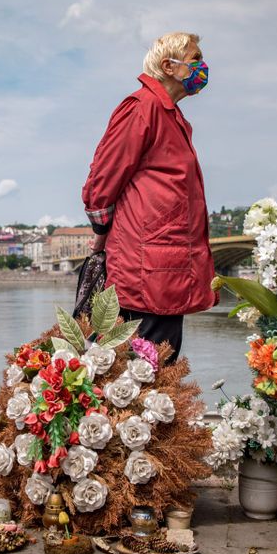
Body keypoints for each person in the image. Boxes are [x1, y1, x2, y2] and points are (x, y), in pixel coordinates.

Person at [81, 31, 216, 362]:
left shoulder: (168, 113)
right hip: (147, 264)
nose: (203, 67)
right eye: (196, 60)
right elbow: (104, 175)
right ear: (169, 66)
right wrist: (101, 231)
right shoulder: (143, 107)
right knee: (146, 362)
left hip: (164, 261)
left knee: (159, 358)